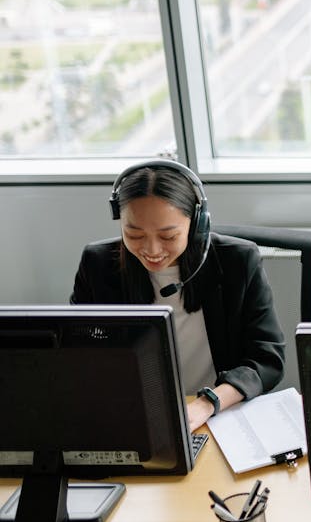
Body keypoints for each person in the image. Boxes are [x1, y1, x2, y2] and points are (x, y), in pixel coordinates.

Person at [71, 159, 285, 431]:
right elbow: (78, 353)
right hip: (134, 415)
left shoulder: (238, 262)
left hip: (218, 414)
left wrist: (207, 403)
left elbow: (267, 359)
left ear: (197, 224)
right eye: (133, 234)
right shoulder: (98, 264)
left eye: (168, 236)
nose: (151, 249)